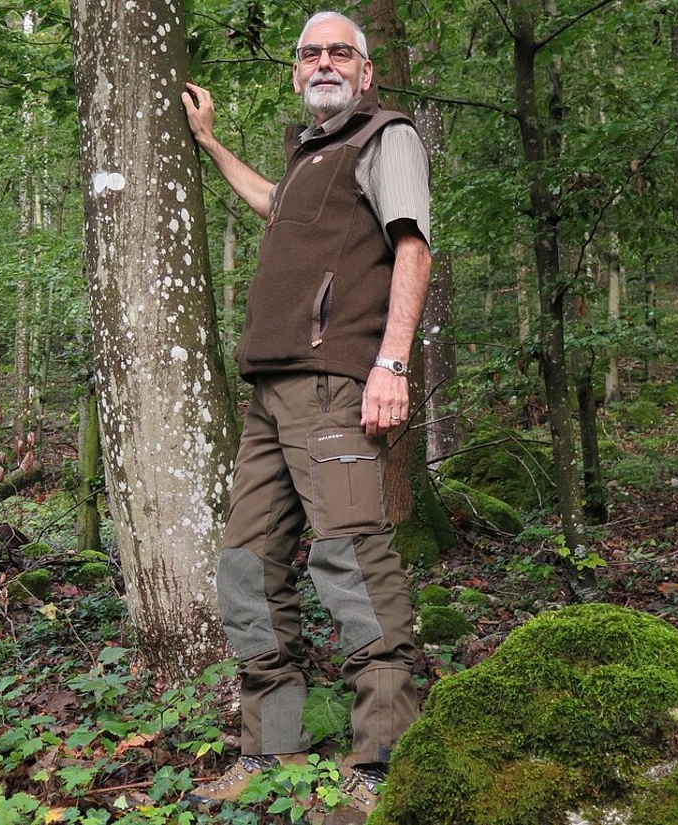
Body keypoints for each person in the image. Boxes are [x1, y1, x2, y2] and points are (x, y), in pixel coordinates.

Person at [181, 10, 432, 821]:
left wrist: (391, 362)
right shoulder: (308, 156)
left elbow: (413, 247)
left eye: (340, 53)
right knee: (248, 568)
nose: (324, 62)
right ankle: (271, 750)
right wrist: (212, 143)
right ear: (296, 72)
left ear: (366, 72)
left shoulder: (385, 137)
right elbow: (270, 203)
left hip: (337, 386)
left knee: (354, 565)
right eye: (310, 53)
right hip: (269, 397)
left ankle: (386, 765)